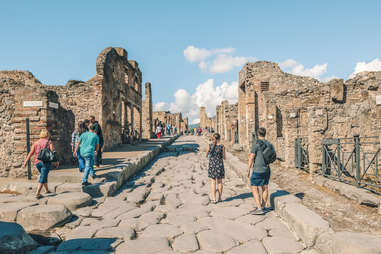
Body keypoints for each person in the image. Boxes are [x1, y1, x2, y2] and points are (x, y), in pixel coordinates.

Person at [22, 129, 59, 199]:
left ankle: (47, 190)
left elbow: (30, 153)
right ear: (47, 135)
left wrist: (25, 163)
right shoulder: (49, 142)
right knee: (43, 177)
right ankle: (37, 193)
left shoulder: (36, 143)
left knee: (43, 175)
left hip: (37, 163)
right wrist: (56, 161)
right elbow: (53, 152)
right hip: (46, 163)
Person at [247, 127, 273, 215]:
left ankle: (259, 208)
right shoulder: (269, 144)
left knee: (254, 187)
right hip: (267, 169)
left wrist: (248, 170)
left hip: (257, 170)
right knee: (265, 187)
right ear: (265, 134)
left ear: (258, 134)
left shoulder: (256, 144)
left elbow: (251, 158)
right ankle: (263, 206)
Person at [205, 133, 226, 204]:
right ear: (219, 139)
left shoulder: (209, 146)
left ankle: (214, 199)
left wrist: (211, 156)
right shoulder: (222, 146)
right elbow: (224, 157)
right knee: (220, 182)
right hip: (219, 165)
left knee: (213, 182)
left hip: (212, 166)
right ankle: (219, 198)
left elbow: (206, 155)